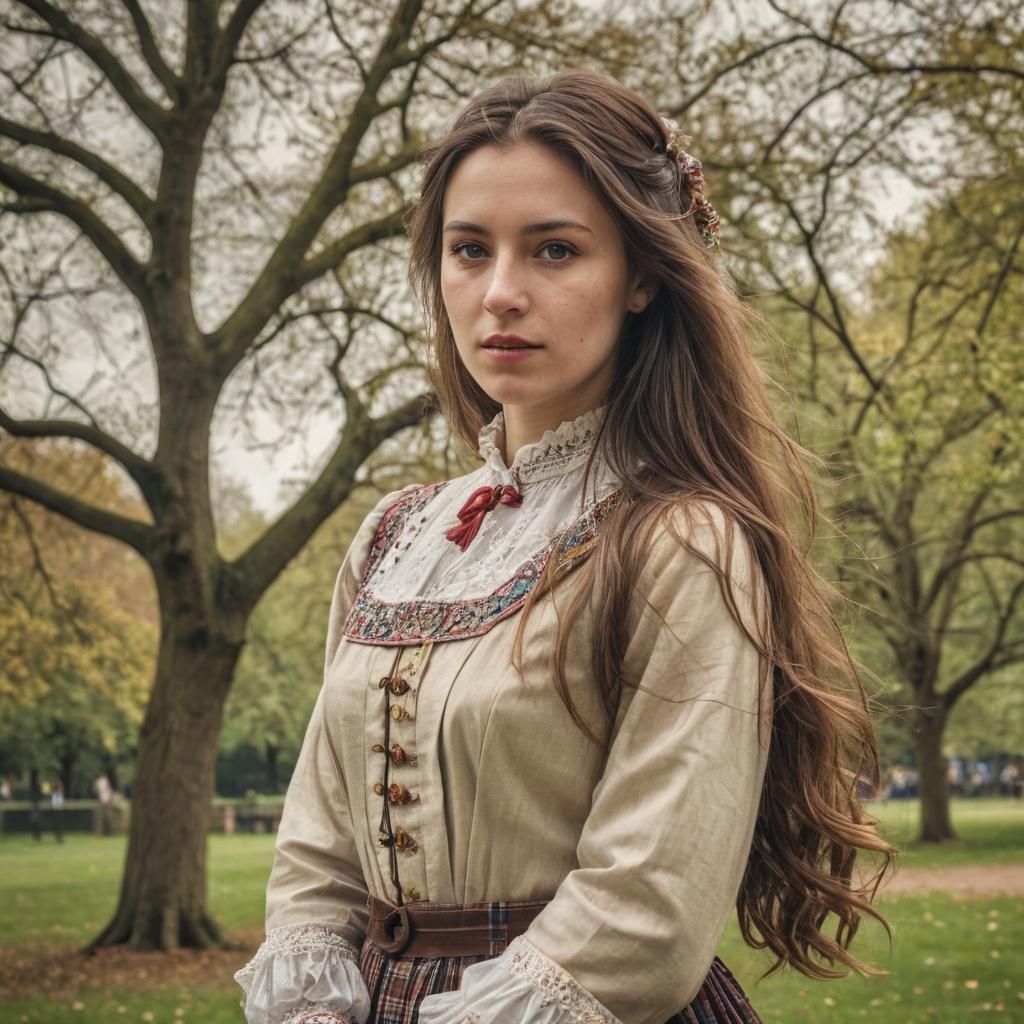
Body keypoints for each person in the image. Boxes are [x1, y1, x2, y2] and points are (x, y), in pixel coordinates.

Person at [235, 69, 895, 1024]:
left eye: (553, 250)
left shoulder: (682, 541)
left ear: (641, 277)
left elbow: (645, 911)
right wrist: (312, 1004)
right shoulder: (393, 539)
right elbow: (318, 843)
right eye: (470, 250)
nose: (500, 293)